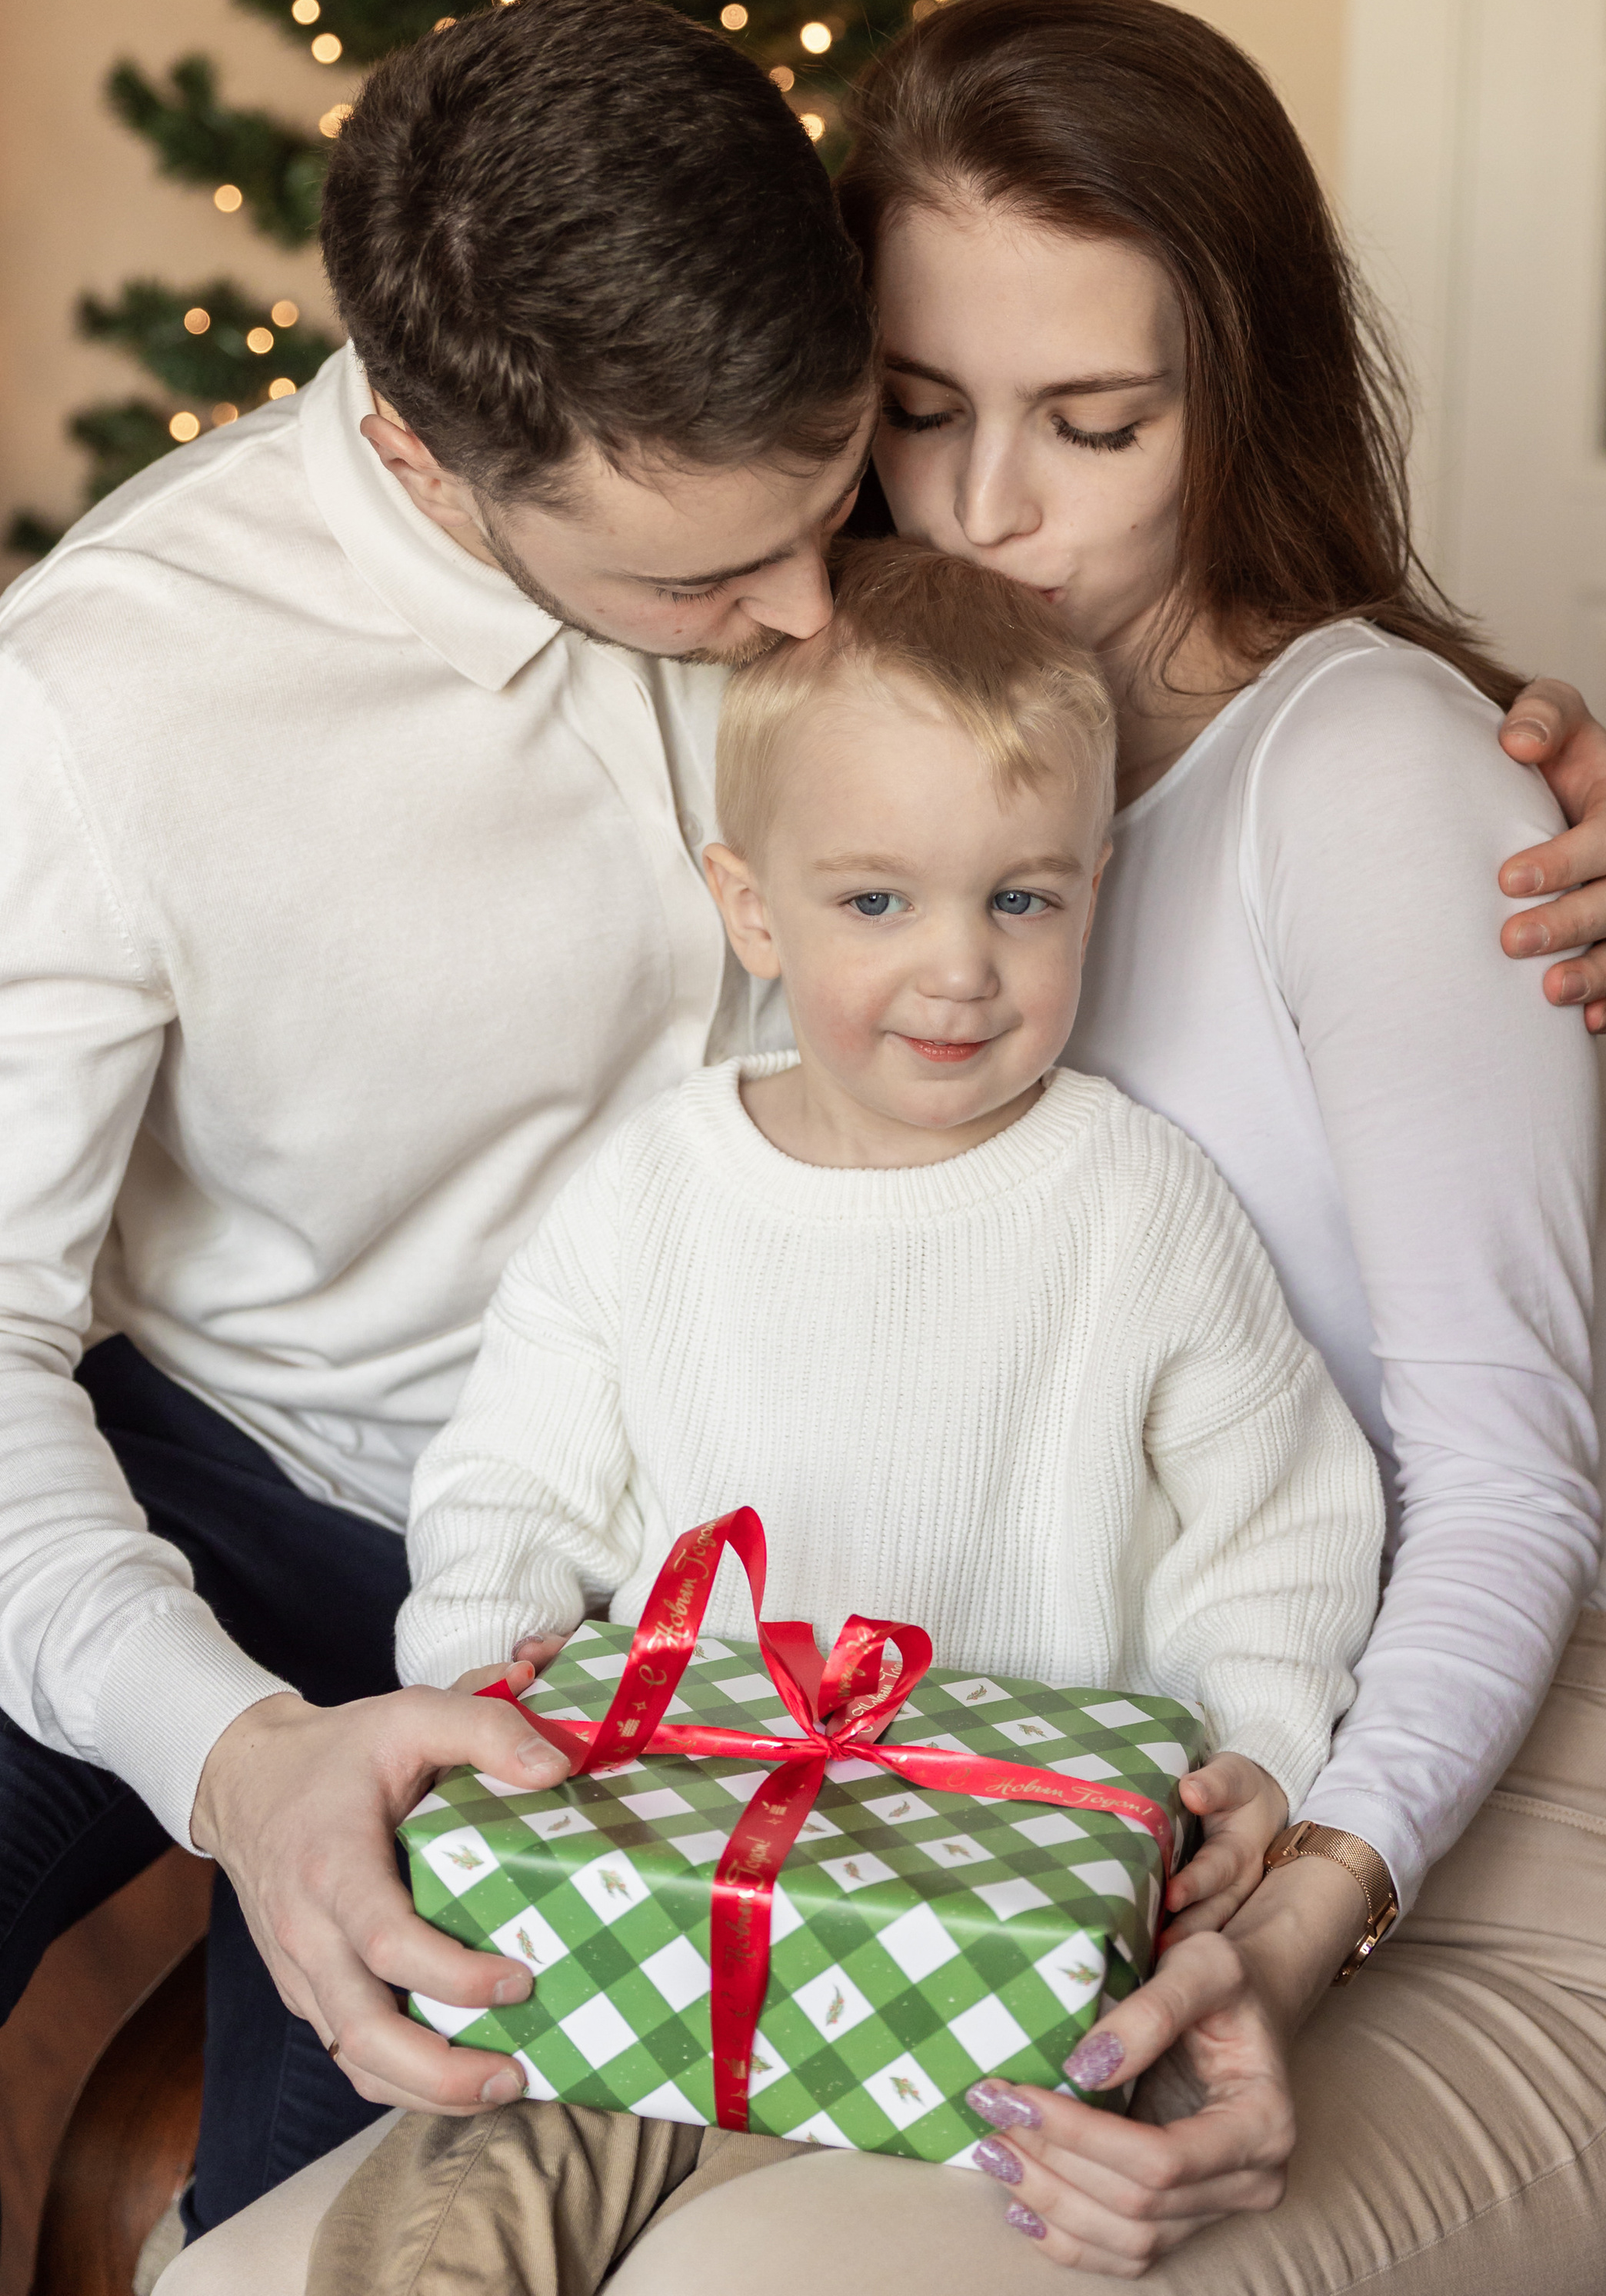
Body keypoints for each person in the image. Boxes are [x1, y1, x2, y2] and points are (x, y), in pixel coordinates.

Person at [0, 0, 1606, 2293]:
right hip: (238, 1447)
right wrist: (230, 1751)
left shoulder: (889, 524)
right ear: (426, 456)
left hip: (693, 1573)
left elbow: (1209, 547)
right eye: (702, 589)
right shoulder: (103, 699)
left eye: (839, 489)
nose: (818, 607)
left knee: (324, 2198)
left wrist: (1511, 800)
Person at [584, 0, 1606, 2296]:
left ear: (1244, 395)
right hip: (1010, 1827)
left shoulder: (1378, 779)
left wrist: (1301, 1906)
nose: (986, 507)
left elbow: (1508, 1478)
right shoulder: (811, 716)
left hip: (1480, 1881)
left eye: (1095, 423)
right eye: (919, 409)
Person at [307, 534, 1388, 2296]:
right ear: (750, 908)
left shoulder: (1137, 1204)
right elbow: (509, 1484)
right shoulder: (648, 1191)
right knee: (459, 2215)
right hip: (655, 1883)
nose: (959, 969)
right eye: (876, 903)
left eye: (1019, 900)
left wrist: (1255, 1751)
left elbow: (1276, 1523)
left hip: (1006, 1936)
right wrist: (487, 1670)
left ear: (1094, 884)